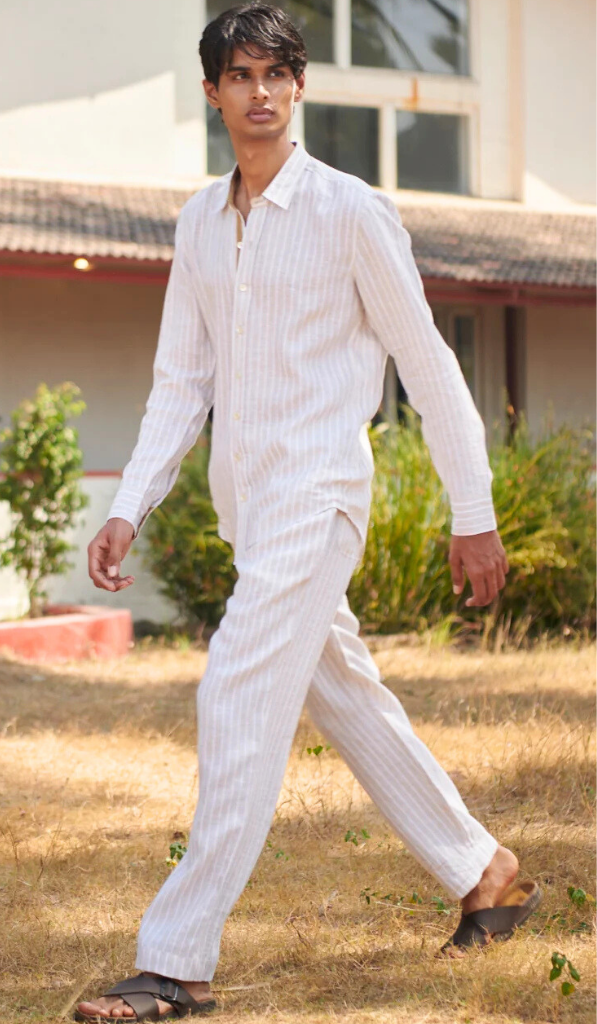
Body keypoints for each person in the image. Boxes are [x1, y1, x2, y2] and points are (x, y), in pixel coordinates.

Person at [79, 5, 540, 1020]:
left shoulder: (350, 211)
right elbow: (180, 381)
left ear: (299, 86)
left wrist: (473, 510)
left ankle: (176, 960)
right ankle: (484, 871)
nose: (260, 92)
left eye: (276, 74)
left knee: (236, 692)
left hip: (321, 496)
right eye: (239, 75)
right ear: (213, 92)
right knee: (347, 699)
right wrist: (130, 504)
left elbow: (428, 364)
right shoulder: (199, 223)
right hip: (252, 514)